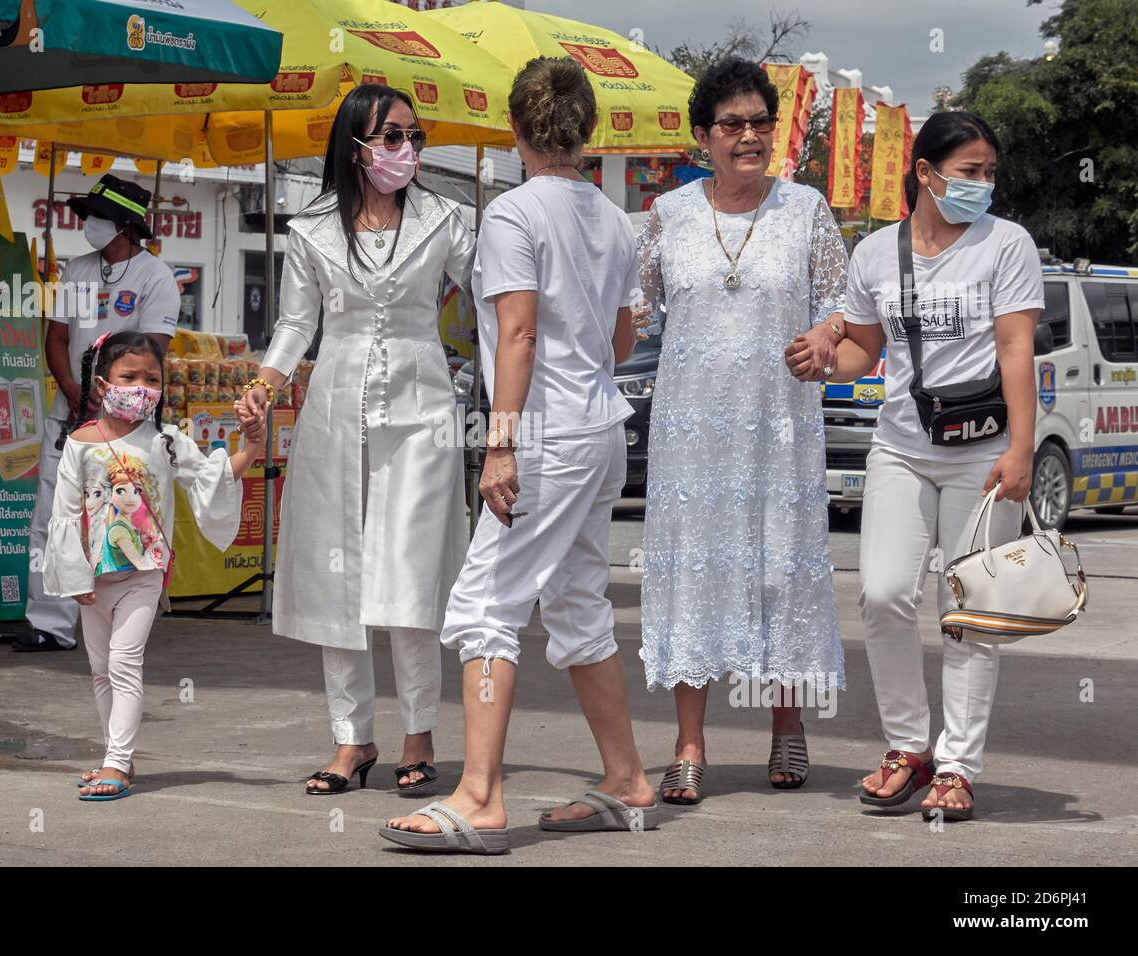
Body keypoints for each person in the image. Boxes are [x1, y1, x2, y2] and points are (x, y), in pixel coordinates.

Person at [380, 57, 656, 855]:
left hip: (548, 434)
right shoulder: (610, 216)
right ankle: (626, 777)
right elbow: (624, 335)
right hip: (600, 427)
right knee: (575, 605)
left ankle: (480, 795)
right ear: (587, 130)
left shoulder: (511, 215)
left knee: (484, 608)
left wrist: (500, 445)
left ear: (515, 130)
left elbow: (522, 333)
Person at [789, 110, 1042, 822]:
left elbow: (1017, 349)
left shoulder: (1007, 244)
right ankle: (909, 747)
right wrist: (819, 364)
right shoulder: (875, 253)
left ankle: (957, 765)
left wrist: (1021, 449)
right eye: (969, 172)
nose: (982, 185)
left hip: (985, 454)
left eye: (990, 173)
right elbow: (862, 352)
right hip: (901, 445)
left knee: (970, 614)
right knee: (883, 592)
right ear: (926, 174)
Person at [236, 84, 474, 795]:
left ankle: (419, 733)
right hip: (335, 413)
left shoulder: (444, 220)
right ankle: (351, 739)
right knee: (339, 578)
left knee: (409, 573)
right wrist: (265, 385)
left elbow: (498, 297)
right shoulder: (309, 228)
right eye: (393, 136)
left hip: (422, 416)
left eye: (414, 136)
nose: (407, 150)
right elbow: (295, 325)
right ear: (357, 145)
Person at [638, 57, 847, 804]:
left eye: (761, 121)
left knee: (779, 571)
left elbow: (842, 302)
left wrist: (825, 336)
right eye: (733, 124)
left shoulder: (806, 209)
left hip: (780, 428)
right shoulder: (667, 216)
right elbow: (633, 314)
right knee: (693, 572)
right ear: (703, 137)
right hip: (691, 432)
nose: (750, 136)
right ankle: (689, 743)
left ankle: (786, 727)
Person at [44, 331, 265, 799]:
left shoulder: (168, 442)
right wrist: (74, 578)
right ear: (103, 384)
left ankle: (118, 764)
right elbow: (63, 515)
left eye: (152, 378)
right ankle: (113, 755)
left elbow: (214, 478)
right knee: (101, 670)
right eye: (130, 376)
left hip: (144, 576)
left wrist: (252, 447)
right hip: (92, 579)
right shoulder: (79, 445)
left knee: (124, 663)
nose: (142, 385)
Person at [20, 174, 179, 652]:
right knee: (54, 514)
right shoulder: (75, 270)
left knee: (119, 519)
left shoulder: (157, 278)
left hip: (126, 421)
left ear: (127, 226)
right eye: (87, 215)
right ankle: (48, 622)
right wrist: (72, 390)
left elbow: (153, 354)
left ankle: (118, 624)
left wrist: (109, 397)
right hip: (69, 414)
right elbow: (57, 338)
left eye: (98, 217)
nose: (88, 224)